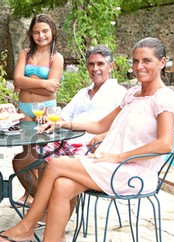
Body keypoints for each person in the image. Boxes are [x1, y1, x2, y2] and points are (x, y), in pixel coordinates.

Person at [0, 37, 174, 242]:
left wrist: (117, 156)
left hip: (133, 172)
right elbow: (100, 124)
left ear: (162, 62)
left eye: (147, 61)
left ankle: (26, 228)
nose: (139, 66)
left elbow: (164, 143)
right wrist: (67, 123)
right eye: (136, 61)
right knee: (62, 185)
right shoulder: (132, 94)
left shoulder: (164, 98)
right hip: (110, 163)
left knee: (55, 164)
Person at [13, 45, 128, 222]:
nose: (95, 69)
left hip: (92, 147)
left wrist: (103, 136)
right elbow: (63, 117)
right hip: (67, 142)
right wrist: (50, 120)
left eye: (100, 64)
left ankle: (52, 220)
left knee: (56, 169)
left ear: (111, 67)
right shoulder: (83, 93)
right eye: (91, 64)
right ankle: (48, 209)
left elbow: (124, 126)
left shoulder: (120, 93)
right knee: (22, 160)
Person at [11, 14, 64, 204]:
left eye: (44, 31)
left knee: (42, 153)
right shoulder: (26, 53)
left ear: (52, 31)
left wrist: (26, 84)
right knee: (26, 153)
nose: (40, 35)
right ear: (31, 34)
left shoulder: (56, 57)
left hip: (47, 109)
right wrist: (43, 83)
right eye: (36, 32)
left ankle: (42, 193)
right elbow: (16, 80)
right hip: (25, 108)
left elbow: (53, 87)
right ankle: (28, 192)